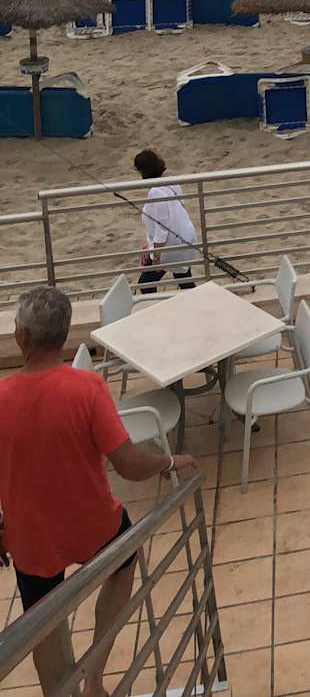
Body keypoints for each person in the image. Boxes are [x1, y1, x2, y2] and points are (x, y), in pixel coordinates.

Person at [0, 285, 195, 697]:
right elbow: (128, 463)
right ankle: (94, 678)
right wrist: (167, 462)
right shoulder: (87, 389)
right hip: (93, 527)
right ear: (64, 335)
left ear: (21, 336)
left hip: (31, 540)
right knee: (126, 562)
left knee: (43, 628)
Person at [134, 151, 196, 293]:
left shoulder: (155, 192)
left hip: (172, 244)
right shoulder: (171, 181)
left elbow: (162, 229)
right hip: (185, 237)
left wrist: (156, 257)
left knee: (145, 284)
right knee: (184, 279)